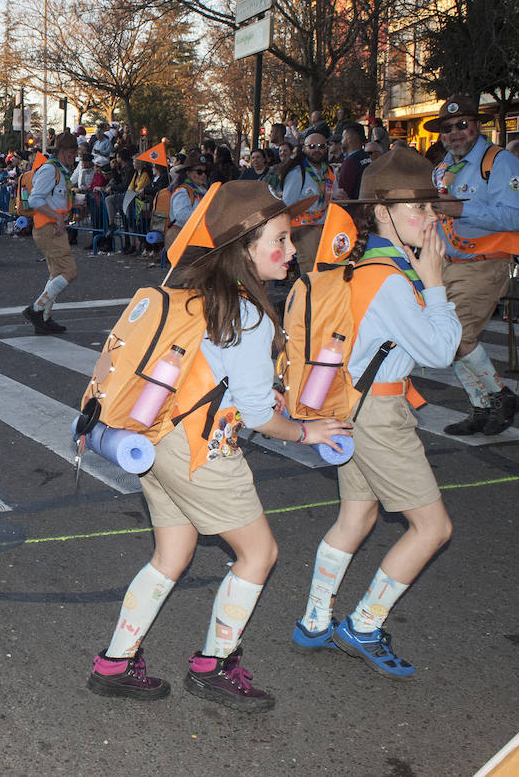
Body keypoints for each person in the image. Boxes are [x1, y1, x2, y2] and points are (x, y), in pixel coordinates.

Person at [88, 181, 348, 711]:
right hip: (202, 452)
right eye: (280, 239)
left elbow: (211, 376)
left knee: (172, 553)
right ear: (244, 249)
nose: (292, 250)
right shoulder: (245, 314)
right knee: (260, 553)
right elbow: (257, 416)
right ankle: (215, 665)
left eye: (291, 238)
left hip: (154, 441)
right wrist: (306, 431)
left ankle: (114, 662)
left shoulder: (199, 299)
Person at [289, 150, 462, 678]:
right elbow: (442, 351)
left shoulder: (368, 267)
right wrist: (434, 282)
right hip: (379, 412)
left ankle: (315, 620)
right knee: (431, 528)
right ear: (381, 214)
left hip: (352, 407)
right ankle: (364, 623)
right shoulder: (390, 278)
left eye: (432, 209)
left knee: (357, 516)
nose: (431, 220)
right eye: (418, 210)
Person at [425, 94, 519, 436]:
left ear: (477, 126)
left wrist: (462, 209)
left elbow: (514, 217)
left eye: (462, 125)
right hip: (448, 264)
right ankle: (481, 405)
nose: (454, 133)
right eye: (447, 128)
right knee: (448, 338)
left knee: (461, 335)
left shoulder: (499, 163)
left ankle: (500, 395)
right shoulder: (442, 169)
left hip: (486, 263)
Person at [22, 131, 78, 335]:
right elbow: (36, 199)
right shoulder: (50, 170)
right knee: (69, 271)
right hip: (49, 227)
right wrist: (57, 217)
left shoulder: (58, 171)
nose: (75, 155)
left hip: (52, 226)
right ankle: (36, 310)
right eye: (73, 152)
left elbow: (52, 198)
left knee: (56, 273)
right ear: (63, 151)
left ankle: (44, 318)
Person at [281, 128, 336, 267]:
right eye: (311, 146)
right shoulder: (297, 174)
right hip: (305, 230)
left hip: (327, 229)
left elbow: (334, 199)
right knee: (311, 270)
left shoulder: (330, 172)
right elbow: (287, 206)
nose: (316, 150)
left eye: (321, 146)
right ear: (304, 148)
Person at [334, 122, 372, 200]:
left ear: (349, 139)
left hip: (353, 207)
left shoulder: (350, 163)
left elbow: (343, 192)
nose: (341, 141)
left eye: (343, 138)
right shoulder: (368, 158)